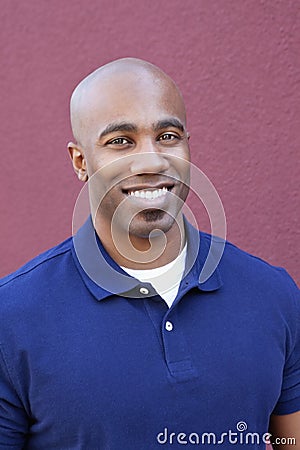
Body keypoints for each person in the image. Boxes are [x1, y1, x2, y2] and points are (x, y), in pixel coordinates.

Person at [0, 58, 299, 449]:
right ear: (80, 161)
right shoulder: (13, 316)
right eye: (120, 142)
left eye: (168, 136)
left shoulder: (273, 294)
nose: (151, 160)